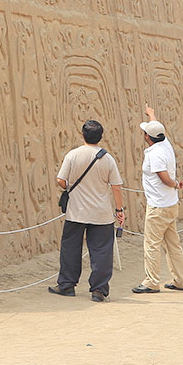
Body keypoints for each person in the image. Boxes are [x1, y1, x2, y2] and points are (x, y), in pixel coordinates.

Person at [48, 119, 126, 303]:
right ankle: (99, 290)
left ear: (82, 134)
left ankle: (67, 284)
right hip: (101, 213)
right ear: (100, 137)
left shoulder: (73, 155)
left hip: (77, 211)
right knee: (101, 251)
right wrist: (119, 209)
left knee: (70, 248)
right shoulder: (107, 159)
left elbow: (60, 180)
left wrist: (68, 186)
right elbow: (116, 186)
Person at [131, 105, 183, 294]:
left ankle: (151, 281)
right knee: (173, 244)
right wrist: (151, 114)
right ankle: (182, 280)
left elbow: (164, 178)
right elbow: (156, 126)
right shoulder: (165, 143)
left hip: (158, 206)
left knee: (151, 244)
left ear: (148, 138)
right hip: (170, 204)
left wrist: (175, 184)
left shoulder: (156, 154)